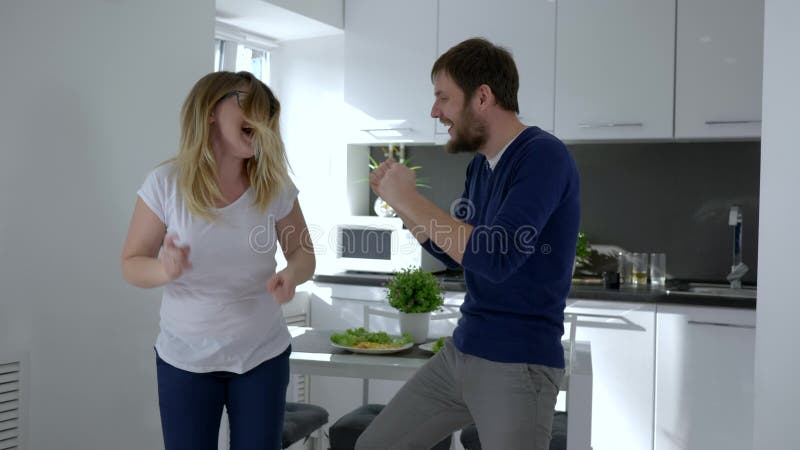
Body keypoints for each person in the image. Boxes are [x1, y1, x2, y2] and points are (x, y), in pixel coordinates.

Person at [356, 38, 580, 450]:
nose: (434, 111)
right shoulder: (481, 166)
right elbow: (458, 251)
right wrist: (402, 208)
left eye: (443, 97)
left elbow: (496, 256)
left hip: (518, 362)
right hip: (462, 352)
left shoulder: (543, 156)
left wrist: (410, 198)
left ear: (482, 97)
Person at [121, 71, 315, 450]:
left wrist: (292, 273)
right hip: (185, 358)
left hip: (262, 354)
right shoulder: (165, 184)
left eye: (268, 113)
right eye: (249, 106)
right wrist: (164, 268)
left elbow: (303, 253)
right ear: (211, 111)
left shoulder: (274, 187)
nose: (261, 119)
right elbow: (131, 262)